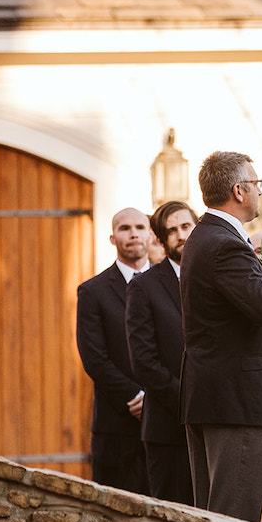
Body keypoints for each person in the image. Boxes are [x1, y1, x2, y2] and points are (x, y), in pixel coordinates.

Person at [179, 151, 262, 522]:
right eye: (257, 184)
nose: (260, 193)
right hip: (235, 401)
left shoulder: (206, 237)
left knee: (214, 515)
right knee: (234, 519)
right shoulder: (225, 244)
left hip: (215, 395)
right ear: (238, 190)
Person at [76, 207, 152, 495]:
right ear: (112, 238)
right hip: (117, 424)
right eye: (124, 228)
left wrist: (156, 398)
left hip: (167, 424)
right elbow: (94, 357)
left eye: (139, 227)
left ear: (149, 234)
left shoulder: (173, 286)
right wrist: (134, 396)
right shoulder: (93, 291)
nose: (133, 233)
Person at [126, 200, 197, 506]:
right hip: (168, 428)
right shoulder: (145, 287)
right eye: (172, 231)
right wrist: (189, 400)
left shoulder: (221, 279)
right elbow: (144, 361)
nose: (181, 235)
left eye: (186, 227)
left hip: (220, 426)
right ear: (161, 239)